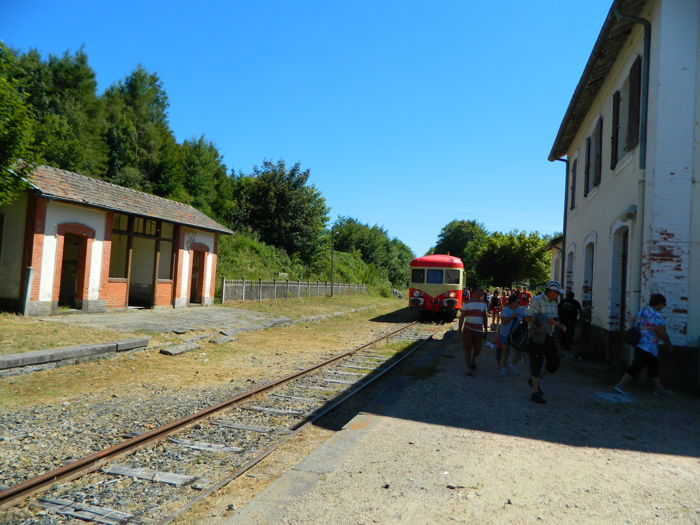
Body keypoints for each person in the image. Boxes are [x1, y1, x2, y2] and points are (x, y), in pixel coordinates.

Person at [614, 293, 674, 396]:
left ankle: (658, 388)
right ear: (659, 303)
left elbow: (633, 320)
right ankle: (621, 385)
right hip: (649, 345)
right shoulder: (657, 316)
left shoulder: (643, 311)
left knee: (653, 366)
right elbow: (662, 333)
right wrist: (669, 345)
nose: (663, 307)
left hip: (640, 342)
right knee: (637, 366)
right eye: (663, 304)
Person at [525, 280, 566, 404]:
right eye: (557, 293)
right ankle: (535, 392)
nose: (559, 295)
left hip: (549, 335)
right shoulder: (537, 300)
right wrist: (546, 320)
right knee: (537, 363)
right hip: (537, 335)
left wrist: (558, 324)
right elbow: (528, 318)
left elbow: (553, 319)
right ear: (551, 291)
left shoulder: (554, 302)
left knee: (554, 363)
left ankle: (534, 380)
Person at [458, 285, 488, 377]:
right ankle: (469, 368)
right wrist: (460, 328)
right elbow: (462, 316)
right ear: (474, 292)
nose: (482, 292)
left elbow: (484, 316)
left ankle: (472, 359)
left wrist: (486, 329)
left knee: (478, 349)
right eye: (480, 290)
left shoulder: (483, 303)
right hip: (468, 329)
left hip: (478, 329)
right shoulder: (466, 303)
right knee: (467, 349)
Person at [497, 294, 523, 375]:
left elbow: (526, 318)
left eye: (519, 302)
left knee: (518, 352)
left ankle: (512, 365)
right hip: (504, 334)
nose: (519, 304)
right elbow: (503, 321)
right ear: (511, 303)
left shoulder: (519, 309)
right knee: (506, 351)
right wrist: (512, 316)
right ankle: (502, 367)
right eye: (517, 302)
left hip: (514, 335)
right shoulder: (506, 309)